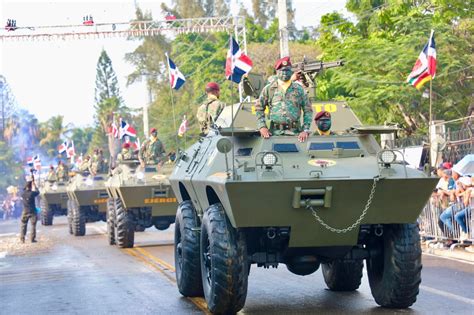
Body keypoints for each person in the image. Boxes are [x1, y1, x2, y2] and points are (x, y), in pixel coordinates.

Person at [256, 56, 313, 142]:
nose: (285, 73)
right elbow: (259, 108)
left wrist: (305, 130)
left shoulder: (299, 89)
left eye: (287, 70)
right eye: (282, 71)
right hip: (274, 135)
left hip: (296, 135)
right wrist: (262, 127)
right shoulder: (269, 89)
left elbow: (308, 110)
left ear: (291, 72)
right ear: (277, 72)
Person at [20, 172, 40, 243]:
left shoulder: (23, 194)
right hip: (32, 211)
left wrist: (29, 182)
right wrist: (34, 183)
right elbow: (38, 192)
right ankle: (32, 239)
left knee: (23, 225)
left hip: (25, 211)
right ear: (30, 187)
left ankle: (22, 239)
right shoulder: (32, 193)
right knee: (33, 226)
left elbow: (23, 190)